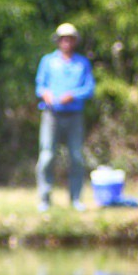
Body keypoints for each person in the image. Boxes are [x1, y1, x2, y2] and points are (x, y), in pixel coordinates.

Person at [35, 23, 95, 212]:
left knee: (76, 156)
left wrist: (74, 95)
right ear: (58, 41)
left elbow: (89, 88)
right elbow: (40, 86)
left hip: (74, 115)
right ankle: (44, 199)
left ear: (74, 41)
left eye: (70, 39)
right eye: (63, 39)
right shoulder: (48, 61)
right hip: (51, 114)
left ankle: (76, 199)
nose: (66, 42)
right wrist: (45, 94)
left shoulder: (82, 63)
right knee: (47, 156)